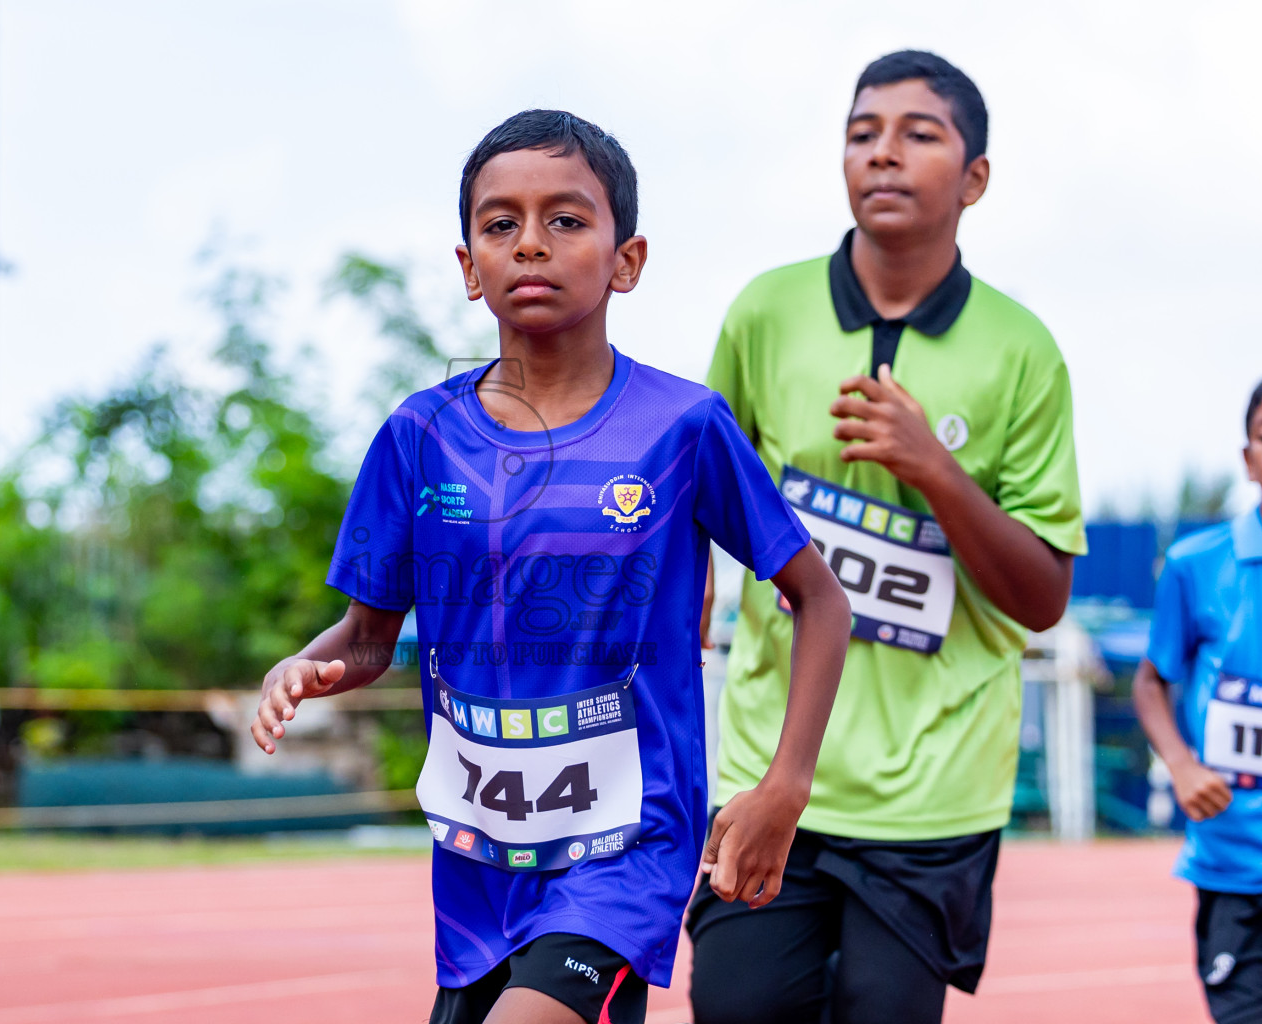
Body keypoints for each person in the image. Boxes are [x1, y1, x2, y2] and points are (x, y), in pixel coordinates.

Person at [251, 109, 850, 1024]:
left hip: (625, 857)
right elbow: (369, 637)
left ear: (627, 260)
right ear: (467, 266)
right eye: (501, 224)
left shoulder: (683, 428)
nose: (530, 244)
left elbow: (821, 600)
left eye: (566, 220)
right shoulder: (419, 436)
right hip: (480, 869)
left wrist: (784, 786)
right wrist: (311, 665)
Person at [689, 51, 1087, 1024]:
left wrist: (935, 470)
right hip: (765, 763)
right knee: (738, 1010)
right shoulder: (766, 312)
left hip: (932, 794)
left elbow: (1042, 597)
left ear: (975, 177)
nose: (884, 154)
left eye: (920, 133)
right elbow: (696, 497)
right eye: (863, 132)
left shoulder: (1021, 349)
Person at [1133, 376, 1262, 1024]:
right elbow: (1152, 678)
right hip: (1235, 866)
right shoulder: (1196, 564)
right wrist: (1182, 765)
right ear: (1248, 457)